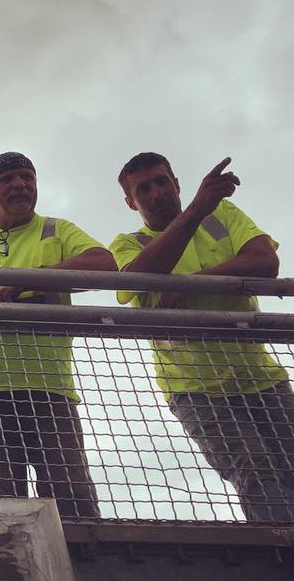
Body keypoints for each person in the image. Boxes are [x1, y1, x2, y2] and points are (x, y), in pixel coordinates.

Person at [111, 152, 294, 521]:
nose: (157, 193)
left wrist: (190, 284)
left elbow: (265, 263)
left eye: (162, 181)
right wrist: (195, 210)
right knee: (256, 471)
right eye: (144, 189)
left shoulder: (222, 216)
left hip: (262, 379)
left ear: (176, 183)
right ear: (131, 202)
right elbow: (139, 275)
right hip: (195, 389)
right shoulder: (127, 244)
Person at [0, 151, 111, 519]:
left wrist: (22, 282)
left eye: (27, 177)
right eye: (7, 180)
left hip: (47, 389)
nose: (20, 185)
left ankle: (86, 574)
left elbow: (105, 264)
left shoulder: (57, 230)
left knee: (72, 502)